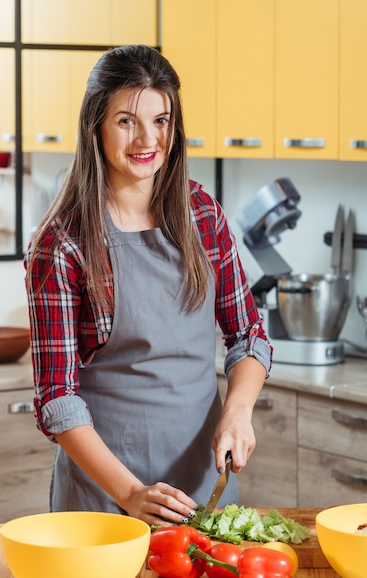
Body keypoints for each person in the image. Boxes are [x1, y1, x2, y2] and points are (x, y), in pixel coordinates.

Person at [24, 44, 272, 527]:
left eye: (161, 121)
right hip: (104, 500)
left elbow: (248, 335)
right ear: (95, 124)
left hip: (205, 489)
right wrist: (131, 493)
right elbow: (56, 397)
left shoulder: (202, 213)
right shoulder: (61, 243)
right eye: (126, 121)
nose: (147, 138)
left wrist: (238, 411)